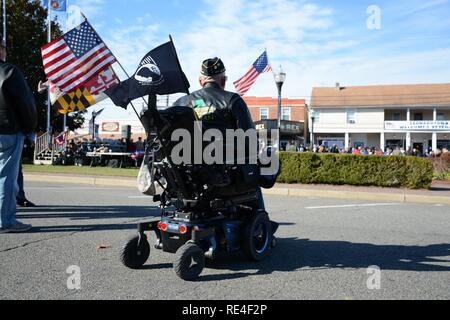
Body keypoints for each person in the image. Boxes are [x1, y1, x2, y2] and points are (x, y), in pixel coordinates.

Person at [173, 57, 267, 211]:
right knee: (255, 173)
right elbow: (250, 142)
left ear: (200, 81)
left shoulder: (180, 103)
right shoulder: (232, 100)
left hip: (187, 179)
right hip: (224, 177)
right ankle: (260, 220)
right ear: (223, 80)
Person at [0, 36, 37, 233]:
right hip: (7, 130)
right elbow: (26, 103)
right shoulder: (9, 71)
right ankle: (5, 221)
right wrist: (29, 128)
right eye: (4, 47)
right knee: (6, 177)